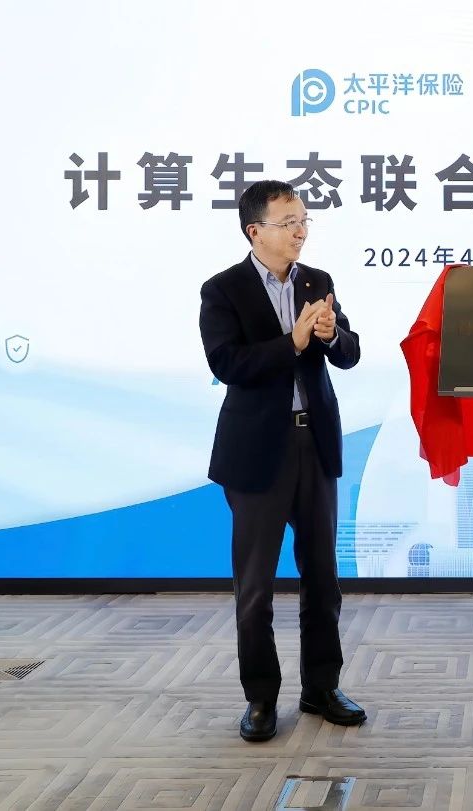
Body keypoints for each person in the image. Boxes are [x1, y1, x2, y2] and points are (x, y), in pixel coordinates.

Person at [199, 179, 364, 742]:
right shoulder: (223, 290)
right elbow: (227, 364)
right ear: (255, 231)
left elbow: (350, 354)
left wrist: (332, 334)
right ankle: (261, 699)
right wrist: (292, 342)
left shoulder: (317, 282)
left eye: (304, 221)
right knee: (256, 586)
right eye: (288, 222)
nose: (300, 232)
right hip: (256, 453)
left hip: (313, 444)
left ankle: (321, 687)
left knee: (322, 577)